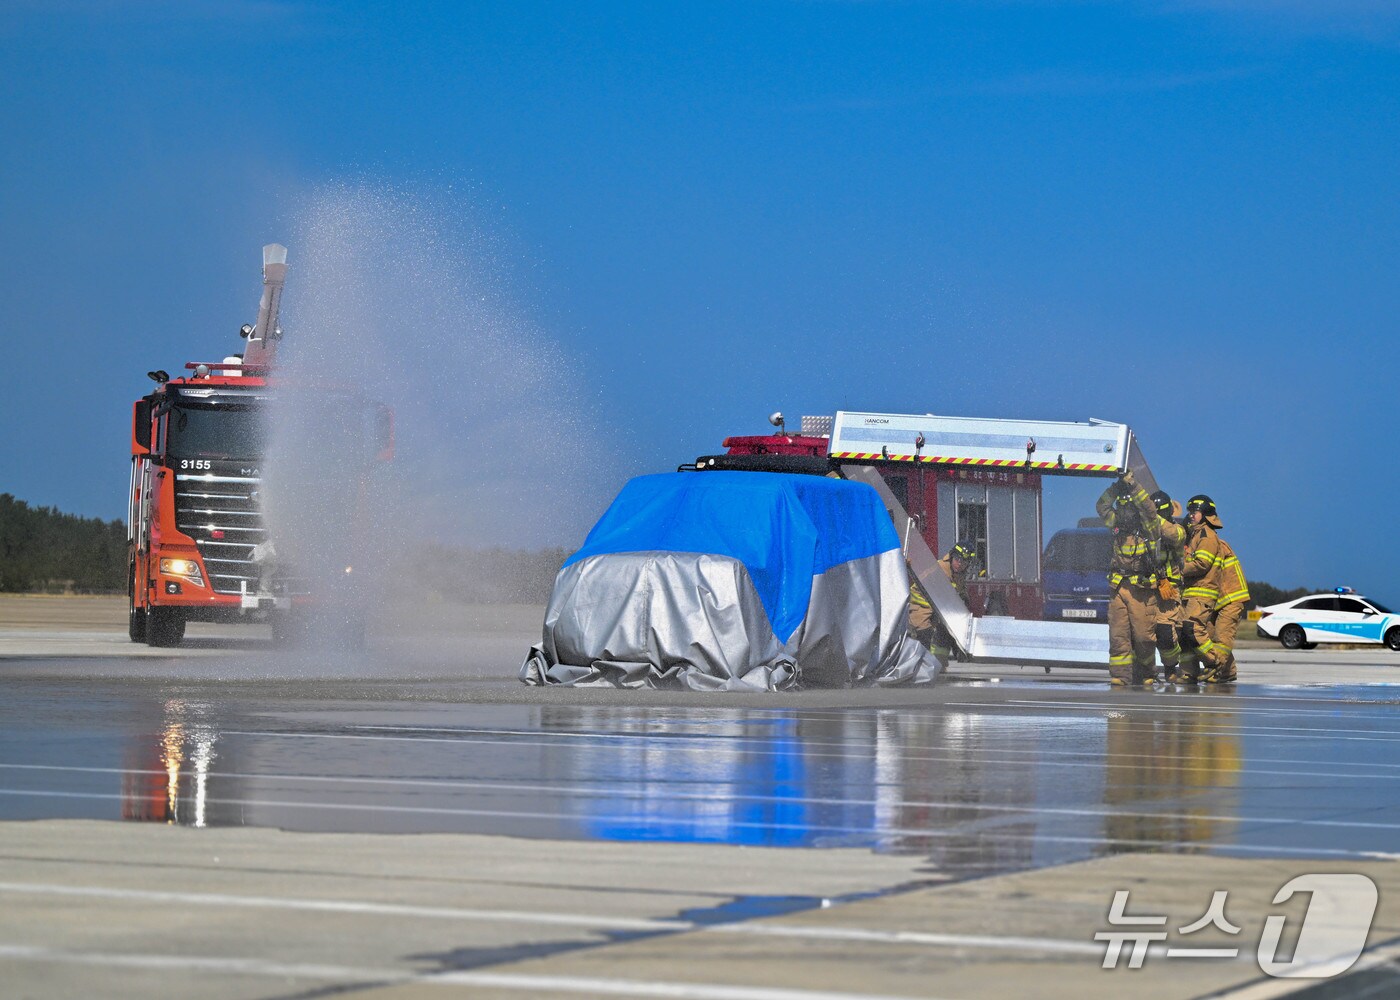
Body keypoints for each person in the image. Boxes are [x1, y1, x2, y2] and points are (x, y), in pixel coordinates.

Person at [1096, 472, 1159, 686]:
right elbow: (1101, 506)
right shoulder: (1116, 526)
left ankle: (1148, 672)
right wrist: (1116, 487)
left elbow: (1149, 509)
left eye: (1128, 508)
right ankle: (1121, 676)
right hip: (1118, 587)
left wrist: (1131, 483)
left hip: (1141, 589)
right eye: (1121, 508)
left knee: (1143, 637)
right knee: (1118, 635)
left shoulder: (1149, 528)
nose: (1124, 513)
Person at [1178, 494, 1246, 684]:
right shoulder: (1196, 536)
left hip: (1230, 597)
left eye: (1195, 511)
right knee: (1208, 634)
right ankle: (1227, 672)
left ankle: (1216, 666)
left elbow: (1202, 564)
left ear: (1206, 514)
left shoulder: (1207, 537)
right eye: (1189, 511)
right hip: (1217, 596)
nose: (1191, 515)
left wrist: (1177, 569)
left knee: (1220, 638)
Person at [1133, 488, 1186, 682]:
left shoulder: (1177, 530)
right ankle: (1144, 672)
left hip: (1168, 591)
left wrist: (1150, 516)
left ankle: (1171, 669)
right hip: (1146, 589)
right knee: (1142, 634)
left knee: (1164, 632)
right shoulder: (1143, 532)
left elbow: (1172, 535)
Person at [908, 541, 976, 666]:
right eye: (957, 559)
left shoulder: (958, 574)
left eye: (964, 562)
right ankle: (923, 669)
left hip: (936, 610)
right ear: (951, 557)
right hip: (920, 608)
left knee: (945, 634)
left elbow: (958, 594)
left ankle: (938, 666)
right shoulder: (940, 570)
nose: (959, 564)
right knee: (925, 638)